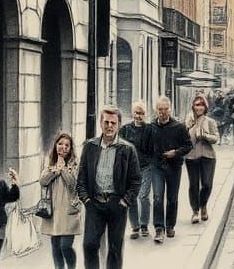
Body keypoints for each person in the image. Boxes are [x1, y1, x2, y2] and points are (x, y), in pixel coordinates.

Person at [76, 106, 142, 269]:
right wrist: (86, 200)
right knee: (89, 245)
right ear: (100, 123)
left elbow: (136, 180)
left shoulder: (127, 149)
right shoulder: (90, 147)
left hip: (117, 204)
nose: (109, 126)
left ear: (119, 125)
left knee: (115, 249)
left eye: (113, 122)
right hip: (94, 204)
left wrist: (125, 202)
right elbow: (81, 177)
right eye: (106, 122)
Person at [149, 96, 193, 243]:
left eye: (165, 109)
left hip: (174, 167)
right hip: (157, 167)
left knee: (172, 198)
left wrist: (175, 152)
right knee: (157, 197)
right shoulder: (151, 127)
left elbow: (188, 146)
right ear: (156, 110)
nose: (163, 112)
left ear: (170, 109)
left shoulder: (179, 127)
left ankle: (170, 226)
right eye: (160, 109)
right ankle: (159, 228)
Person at [39, 133, 83, 269]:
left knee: (65, 246)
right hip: (53, 210)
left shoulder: (75, 163)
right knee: (56, 246)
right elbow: (43, 181)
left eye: (67, 145)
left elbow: (73, 183)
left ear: (70, 149)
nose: (63, 147)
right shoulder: (49, 161)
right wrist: (55, 170)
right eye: (60, 144)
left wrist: (62, 168)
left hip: (69, 209)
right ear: (55, 145)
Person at [119, 101, 154, 239]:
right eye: (136, 113)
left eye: (141, 113)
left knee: (144, 196)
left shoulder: (150, 129)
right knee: (131, 197)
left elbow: (154, 148)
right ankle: (135, 227)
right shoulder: (125, 129)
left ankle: (144, 225)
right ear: (132, 113)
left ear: (145, 114)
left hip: (146, 166)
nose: (138, 116)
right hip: (130, 169)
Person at [185, 93, 220, 224]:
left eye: (201, 105)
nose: (198, 107)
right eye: (196, 105)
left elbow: (216, 138)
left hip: (208, 156)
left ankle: (203, 205)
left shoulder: (210, 121)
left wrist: (205, 135)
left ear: (205, 107)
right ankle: (195, 211)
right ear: (193, 107)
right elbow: (184, 139)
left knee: (207, 184)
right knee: (193, 185)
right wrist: (188, 127)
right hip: (191, 157)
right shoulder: (188, 121)